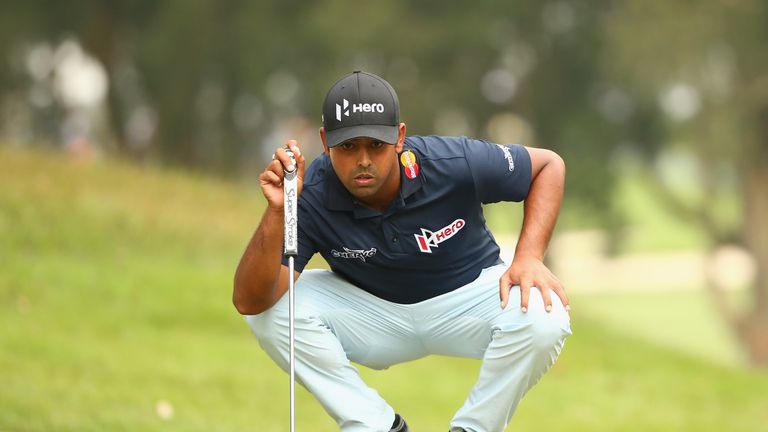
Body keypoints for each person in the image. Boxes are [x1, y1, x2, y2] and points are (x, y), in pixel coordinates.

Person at [234, 71, 571, 432]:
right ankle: (376, 425)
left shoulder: (452, 161)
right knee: (273, 314)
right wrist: (278, 212)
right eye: (348, 147)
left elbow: (548, 165)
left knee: (543, 314)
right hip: (374, 314)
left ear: (399, 137)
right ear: (325, 141)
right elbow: (250, 301)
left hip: (466, 300)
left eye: (375, 145)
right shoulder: (309, 193)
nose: (363, 160)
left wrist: (529, 256)